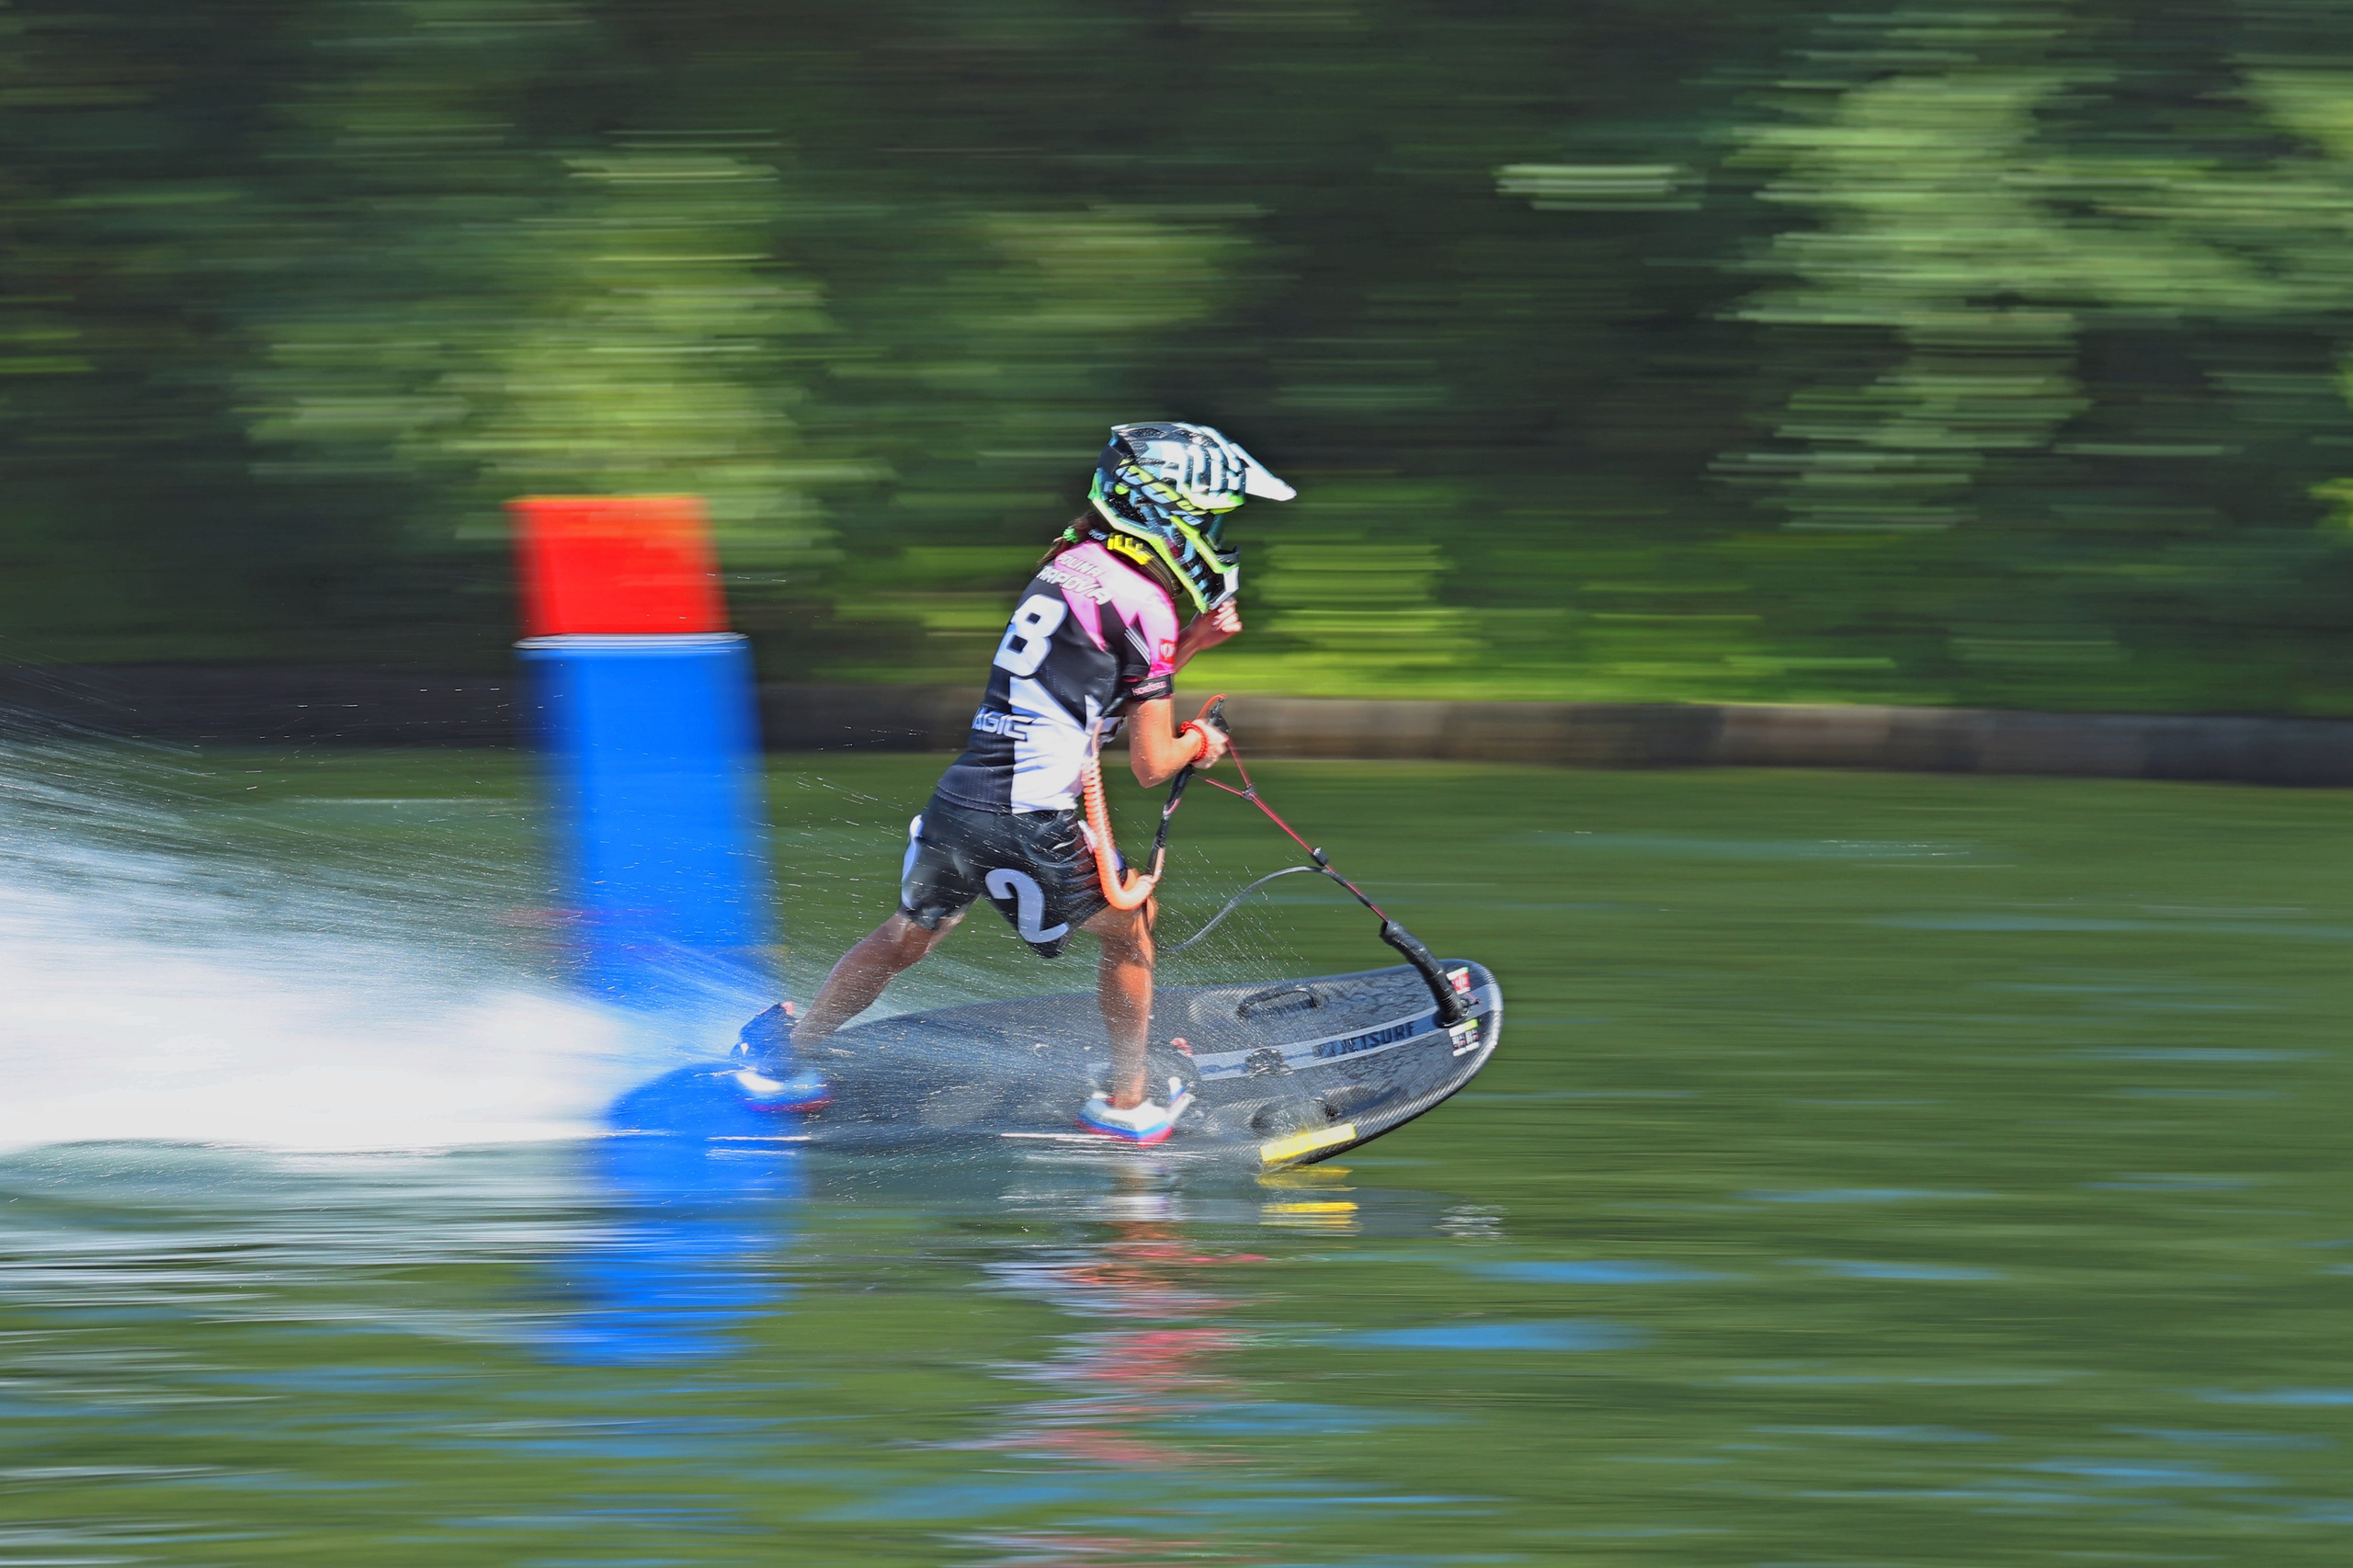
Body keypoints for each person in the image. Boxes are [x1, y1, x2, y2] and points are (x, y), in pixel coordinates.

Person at [733, 422, 1294, 1141]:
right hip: (1030, 814)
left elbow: (1086, 691)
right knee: (1131, 933)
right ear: (1167, 512)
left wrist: (1187, 648)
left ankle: (790, 1060)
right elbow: (1153, 765)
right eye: (1206, 515)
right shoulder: (1147, 602)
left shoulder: (1067, 564)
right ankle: (1128, 1106)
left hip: (961, 799)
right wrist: (1200, 740)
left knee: (908, 936)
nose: (1211, 532)